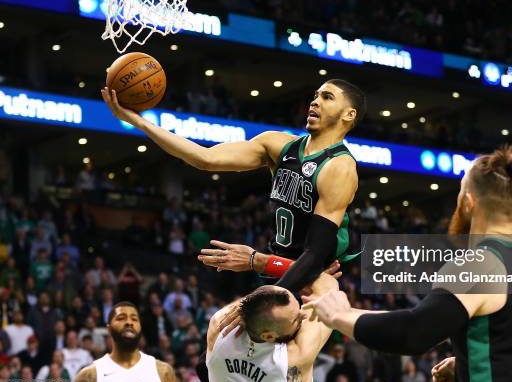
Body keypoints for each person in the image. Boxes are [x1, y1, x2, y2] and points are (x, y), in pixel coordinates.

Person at [304, 145, 512, 382]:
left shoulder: (479, 264)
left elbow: (413, 332)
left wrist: (339, 316)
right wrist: (471, 366)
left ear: (467, 202)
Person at [102, 79, 365, 292]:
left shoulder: (339, 167)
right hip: (278, 268)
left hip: (318, 278)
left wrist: (265, 288)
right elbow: (204, 158)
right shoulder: (277, 144)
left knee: (283, 355)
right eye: (316, 94)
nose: (315, 101)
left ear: (348, 115)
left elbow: (314, 256)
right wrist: (138, 121)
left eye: (327, 97)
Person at [205, 273, 338, 382]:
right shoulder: (294, 357)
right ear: (268, 336)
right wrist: (268, 263)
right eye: (296, 319)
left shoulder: (219, 327)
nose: (303, 315)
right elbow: (329, 286)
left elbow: (254, 300)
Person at [71, 302, 176, 382]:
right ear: (109, 329)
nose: (129, 322)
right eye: (121, 318)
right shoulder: (88, 376)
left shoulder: (163, 371)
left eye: (134, 319)